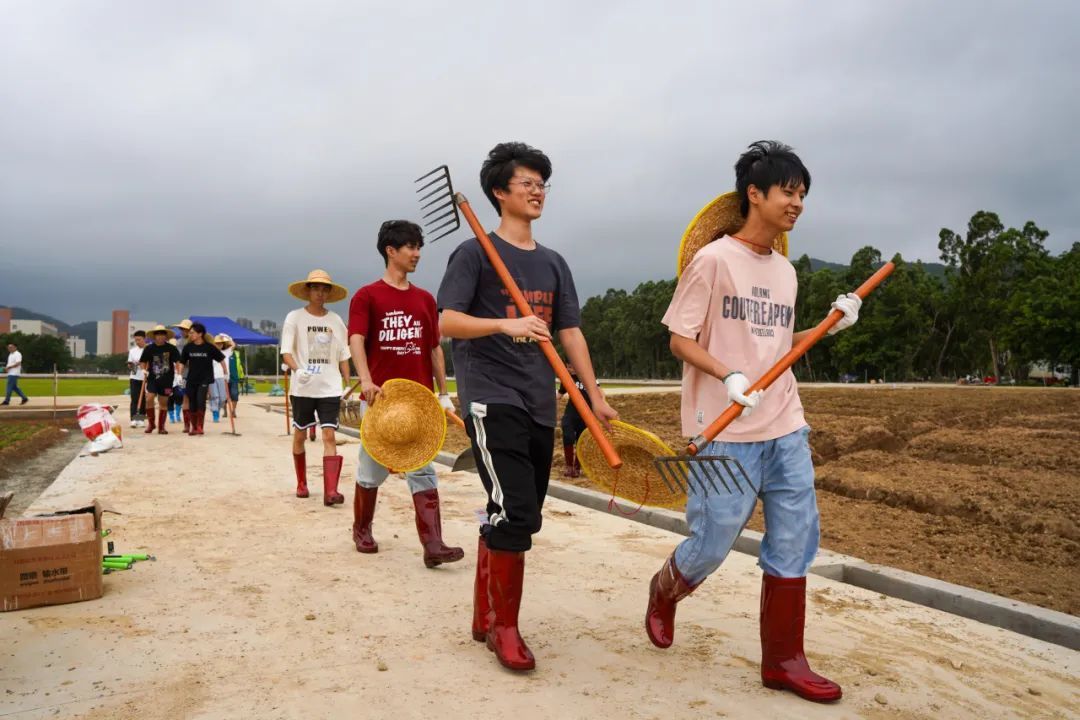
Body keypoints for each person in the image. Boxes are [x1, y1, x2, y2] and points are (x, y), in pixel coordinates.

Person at [644, 141, 860, 703]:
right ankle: (666, 589)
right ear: (755, 194)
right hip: (724, 429)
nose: (797, 203)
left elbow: (777, 343)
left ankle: (784, 660)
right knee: (712, 541)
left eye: (803, 194)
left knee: (794, 540)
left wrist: (827, 328)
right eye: (788, 191)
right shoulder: (713, 261)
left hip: (785, 422)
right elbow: (679, 338)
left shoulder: (786, 272)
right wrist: (728, 375)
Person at [437, 141, 618, 672]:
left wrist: (595, 396)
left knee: (520, 513)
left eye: (543, 184)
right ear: (499, 192)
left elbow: (571, 332)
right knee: (516, 509)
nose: (538, 192)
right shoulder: (473, 254)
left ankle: (481, 612)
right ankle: (504, 630)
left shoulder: (553, 263)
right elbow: (447, 321)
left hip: (540, 398)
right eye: (527, 183)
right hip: (491, 394)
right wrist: (505, 324)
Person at [347, 220, 464, 568]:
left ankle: (433, 545)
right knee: (371, 471)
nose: (417, 254)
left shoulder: (425, 299)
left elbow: (434, 349)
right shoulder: (367, 296)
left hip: (417, 404)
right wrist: (366, 381)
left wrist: (443, 393)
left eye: (419, 247)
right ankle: (361, 529)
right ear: (391, 251)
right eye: (410, 247)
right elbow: (356, 339)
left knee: (423, 469)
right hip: (382, 402)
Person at [281, 269, 352, 505]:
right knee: (300, 434)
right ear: (308, 291)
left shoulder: (335, 321)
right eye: (316, 288)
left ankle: (331, 490)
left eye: (324, 289)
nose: (320, 293)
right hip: (303, 387)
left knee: (329, 434)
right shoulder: (295, 317)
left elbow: (343, 353)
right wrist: (297, 369)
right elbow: (287, 351)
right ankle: (301, 482)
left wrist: (347, 381)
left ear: (329, 293)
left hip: (329, 387)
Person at [180, 323, 226, 436]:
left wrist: (225, 372)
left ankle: (200, 427)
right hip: (191, 379)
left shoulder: (209, 347)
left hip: (204, 379)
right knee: (192, 403)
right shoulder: (188, 347)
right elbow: (182, 362)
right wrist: (179, 375)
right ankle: (193, 427)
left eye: (192, 333)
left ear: (200, 334)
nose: (190, 335)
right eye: (189, 333)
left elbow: (221, 359)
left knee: (201, 401)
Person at [139, 326, 182, 433]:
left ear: (166, 336)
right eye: (158, 334)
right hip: (152, 379)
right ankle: (151, 424)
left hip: (167, 380)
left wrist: (179, 374)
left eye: (162, 334)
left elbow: (178, 362)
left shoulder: (171, 348)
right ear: (154, 336)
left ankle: (161, 426)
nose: (160, 337)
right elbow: (143, 361)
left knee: (163, 402)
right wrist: (143, 370)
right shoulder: (149, 348)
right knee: (149, 398)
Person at [556, 362, 596, 478]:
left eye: (572, 366)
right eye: (568, 367)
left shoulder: (589, 377)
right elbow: (559, 395)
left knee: (581, 440)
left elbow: (599, 393)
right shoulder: (567, 380)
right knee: (567, 434)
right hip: (571, 413)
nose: (569, 369)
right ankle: (569, 467)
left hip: (586, 416)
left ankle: (577, 468)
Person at [127, 330, 148, 427]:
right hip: (135, 377)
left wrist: (146, 369)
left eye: (139, 340)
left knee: (143, 399)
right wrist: (135, 365)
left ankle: (141, 420)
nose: (137, 342)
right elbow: (130, 365)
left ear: (144, 339)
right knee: (135, 398)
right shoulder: (132, 351)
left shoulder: (149, 349)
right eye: (136, 340)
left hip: (146, 377)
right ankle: (133, 419)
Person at [209, 335, 230, 423]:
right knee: (215, 396)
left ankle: (217, 409)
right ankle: (215, 413)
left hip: (222, 377)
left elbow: (233, 344)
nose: (219, 345)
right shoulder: (210, 353)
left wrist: (225, 336)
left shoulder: (226, 352)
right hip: (212, 377)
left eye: (221, 343)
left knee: (223, 398)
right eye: (217, 343)